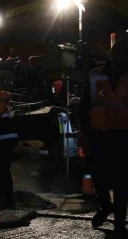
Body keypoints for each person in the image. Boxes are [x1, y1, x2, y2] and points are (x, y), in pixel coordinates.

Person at [78, 39, 128, 236]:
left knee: (122, 182)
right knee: (98, 176)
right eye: (122, 54)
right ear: (113, 55)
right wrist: (84, 132)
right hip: (99, 135)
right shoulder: (95, 76)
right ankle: (106, 205)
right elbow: (83, 107)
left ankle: (119, 222)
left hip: (124, 137)